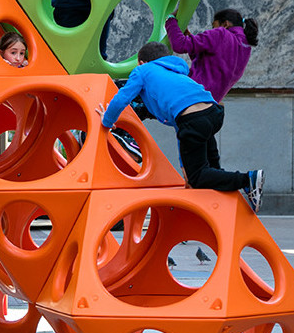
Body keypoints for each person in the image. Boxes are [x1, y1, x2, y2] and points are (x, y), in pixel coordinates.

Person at [97, 42, 264, 210]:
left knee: (197, 176)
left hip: (194, 120)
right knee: (211, 170)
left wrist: (107, 121)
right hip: (213, 114)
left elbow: (121, 98)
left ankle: (247, 179)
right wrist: (185, 167)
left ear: (141, 62)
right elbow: (181, 129)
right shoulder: (176, 72)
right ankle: (220, 205)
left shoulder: (142, 70)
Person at [164, 8, 258, 102]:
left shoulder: (221, 34)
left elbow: (179, 45)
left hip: (190, 97)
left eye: (214, 26)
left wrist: (170, 19)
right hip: (209, 106)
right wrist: (190, 38)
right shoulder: (245, 47)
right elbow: (210, 65)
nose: (213, 30)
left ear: (225, 24)